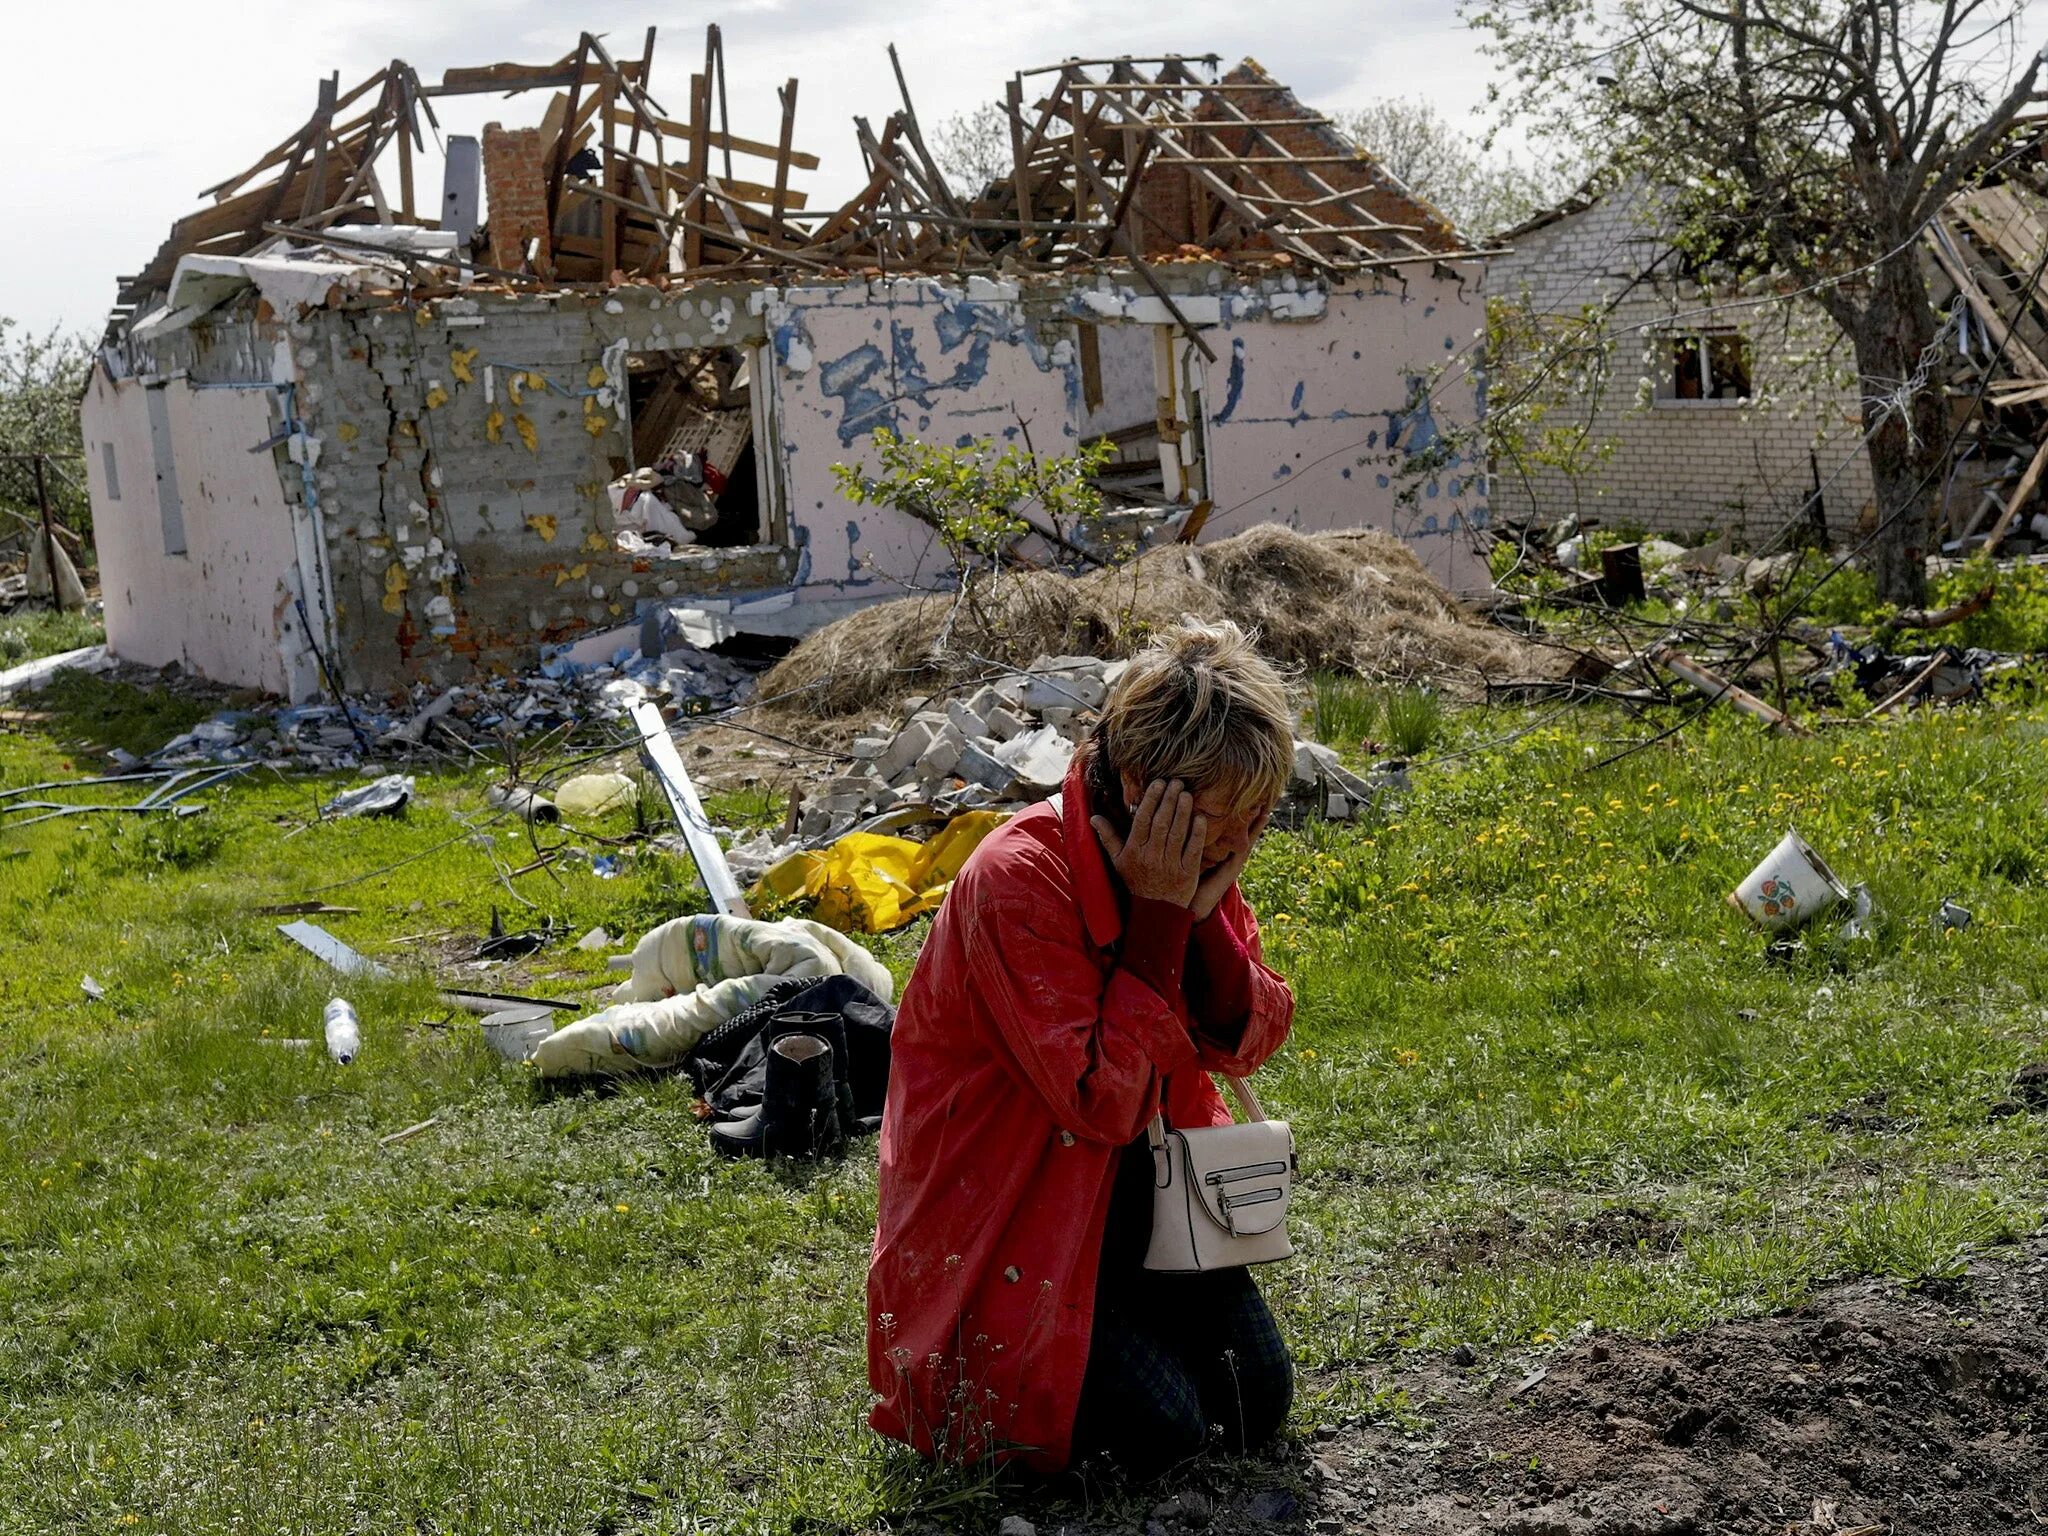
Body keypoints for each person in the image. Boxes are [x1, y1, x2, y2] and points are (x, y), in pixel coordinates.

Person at [867, 621, 1297, 1478]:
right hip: (1014, 1221)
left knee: (1257, 1398)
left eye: (1258, 813)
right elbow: (1099, 1100)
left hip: (1135, 1209)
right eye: (1228, 814)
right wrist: (1160, 920)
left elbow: (1250, 1040)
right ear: (1140, 783)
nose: (1241, 838)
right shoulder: (1017, 879)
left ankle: (1123, 1326)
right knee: (1167, 1430)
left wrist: (1199, 919)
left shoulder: (1186, 849)